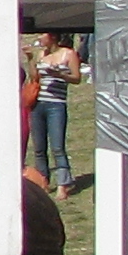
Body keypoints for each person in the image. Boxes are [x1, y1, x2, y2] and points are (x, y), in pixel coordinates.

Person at [27, 32, 83, 196]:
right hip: (38, 104)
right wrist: (30, 59)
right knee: (39, 148)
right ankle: (43, 182)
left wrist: (60, 75)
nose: (39, 38)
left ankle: (62, 184)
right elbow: (34, 77)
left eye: (42, 35)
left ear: (52, 37)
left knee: (57, 147)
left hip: (56, 105)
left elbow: (77, 78)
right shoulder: (42, 54)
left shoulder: (68, 54)